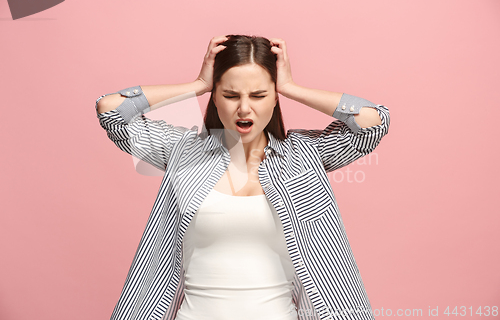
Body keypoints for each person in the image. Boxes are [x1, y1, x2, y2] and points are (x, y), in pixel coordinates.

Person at [95, 34, 390, 320]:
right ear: (215, 98)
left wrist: (289, 87)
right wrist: (197, 85)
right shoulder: (182, 152)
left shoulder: (304, 155)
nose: (244, 108)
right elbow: (111, 111)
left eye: (259, 95)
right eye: (231, 95)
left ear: (275, 99)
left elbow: (373, 122)